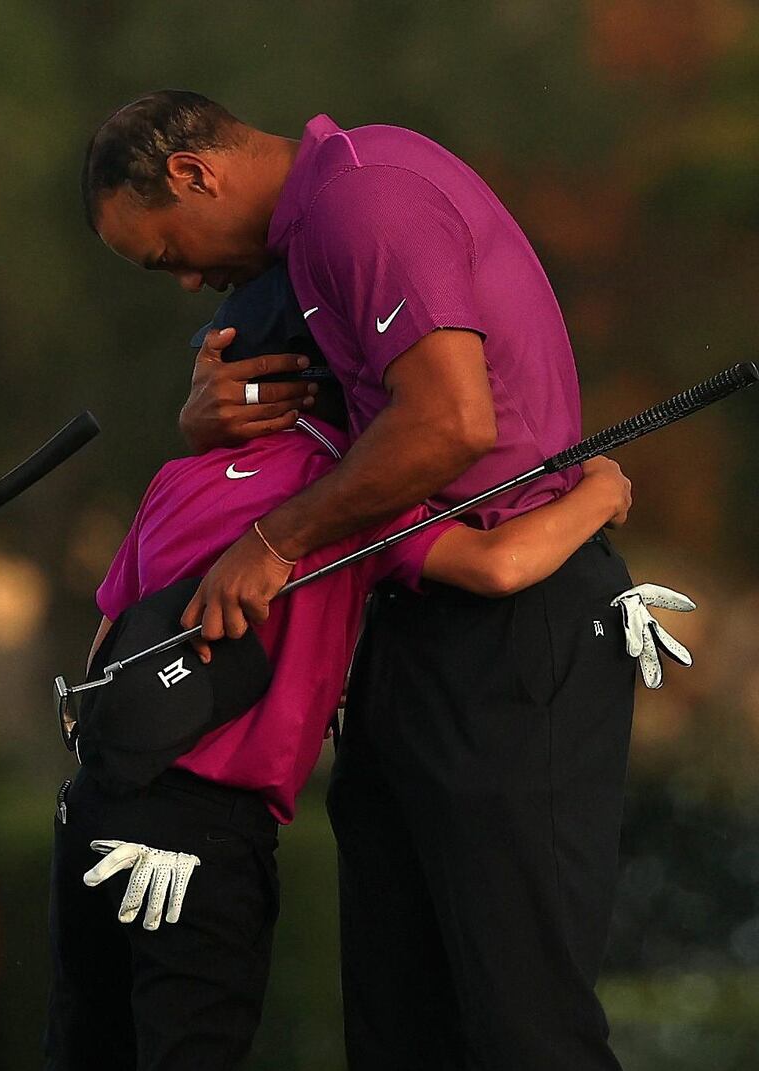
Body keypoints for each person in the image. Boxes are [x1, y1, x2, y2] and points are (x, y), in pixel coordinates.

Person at [82, 91, 637, 1069]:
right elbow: (318, 425)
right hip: (407, 622)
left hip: (515, 618)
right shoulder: (302, 244)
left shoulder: (364, 198)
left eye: (167, 254)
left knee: (519, 1023)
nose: (185, 283)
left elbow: (446, 425)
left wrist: (275, 539)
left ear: (192, 174)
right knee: (398, 1026)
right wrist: (201, 425)